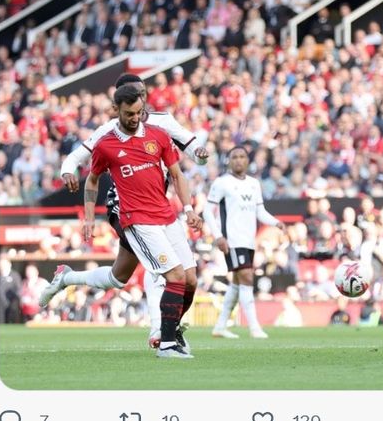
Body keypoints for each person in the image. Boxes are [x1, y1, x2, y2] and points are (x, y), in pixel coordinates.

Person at [40, 73, 208, 350]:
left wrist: (201, 155)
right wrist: (67, 171)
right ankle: (160, 331)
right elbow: (78, 162)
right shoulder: (107, 133)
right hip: (123, 206)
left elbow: (191, 149)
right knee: (164, 269)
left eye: (140, 94)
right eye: (130, 95)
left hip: (158, 205)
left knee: (119, 277)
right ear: (117, 103)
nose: (138, 101)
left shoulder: (162, 123)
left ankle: (67, 277)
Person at [87, 84, 203, 357]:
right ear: (116, 110)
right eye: (129, 113)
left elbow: (176, 175)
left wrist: (188, 209)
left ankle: (172, 330)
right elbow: (92, 180)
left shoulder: (158, 136)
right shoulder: (105, 145)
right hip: (137, 219)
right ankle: (165, 344)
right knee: (173, 276)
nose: (135, 118)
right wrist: (89, 218)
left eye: (139, 112)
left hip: (166, 215)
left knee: (190, 280)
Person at [204, 146, 285, 339]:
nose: (239, 160)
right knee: (247, 278)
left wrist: (276, 222)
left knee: (239, 283)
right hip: (232, 240)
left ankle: (220, 326)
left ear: (247, 161)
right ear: (229, 161)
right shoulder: (222, 183)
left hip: (249, 241)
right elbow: (208, 211)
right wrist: (218, 236)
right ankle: (254, 327)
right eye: (234, 157)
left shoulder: (253, 184)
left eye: (242, 157)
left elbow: (260, 211)